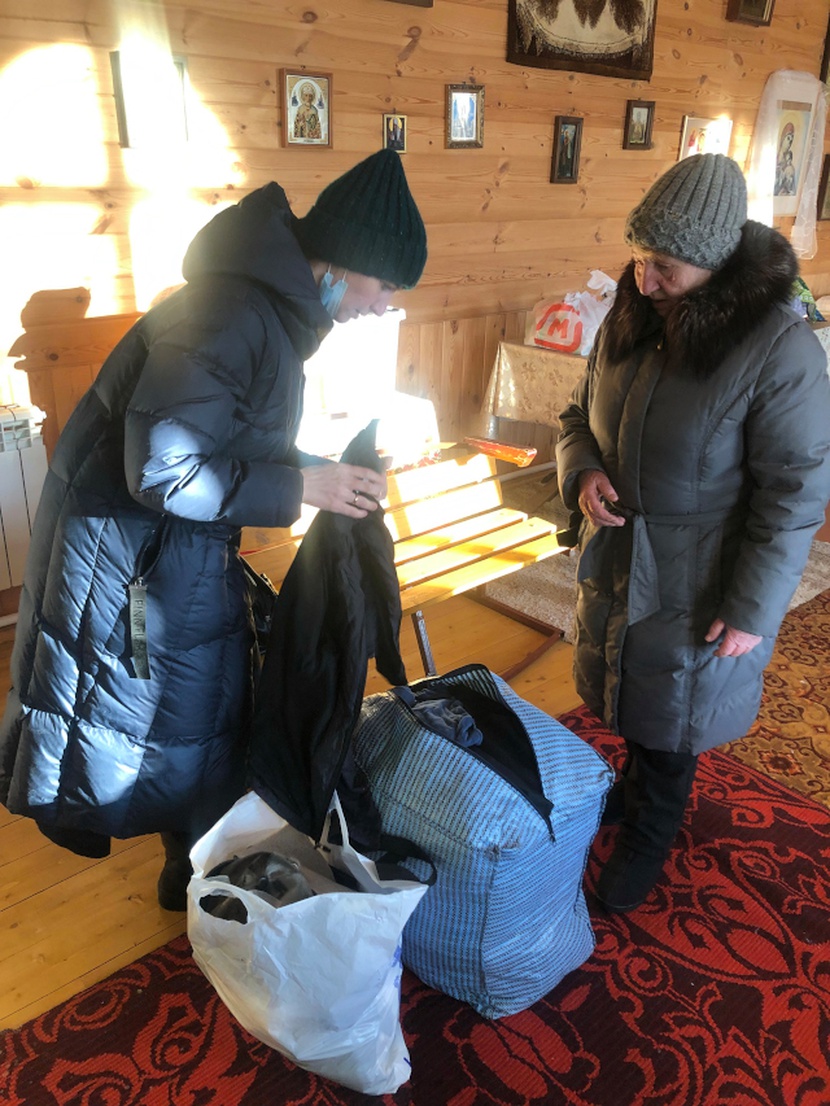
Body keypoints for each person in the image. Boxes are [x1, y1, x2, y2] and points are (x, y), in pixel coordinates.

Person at [0, 148, 427, 911]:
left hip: (168, 549)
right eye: (385, 284)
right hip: (134, 561)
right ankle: (202, 882)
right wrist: (304, 486)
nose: (385, 303)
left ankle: (193, 876)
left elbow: (228, 440)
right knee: (176, 720)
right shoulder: (232, 313)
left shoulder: (265, 310)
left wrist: (318, 470)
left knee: (199, 720)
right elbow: (163, 470)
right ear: (344, 261)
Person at [556, 153, 830, 914]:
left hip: (703, 569)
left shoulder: (779, 348)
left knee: (673, 713)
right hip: (624, 551)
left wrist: (752, 609)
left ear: (714, 266)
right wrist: (583, 471)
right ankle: (635, 790)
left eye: (665, 268)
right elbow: (577, 414)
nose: (644, 280)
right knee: (627, 687)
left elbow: (795, 494)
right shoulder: (634, 310)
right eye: (639, 257)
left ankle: (652, 828)